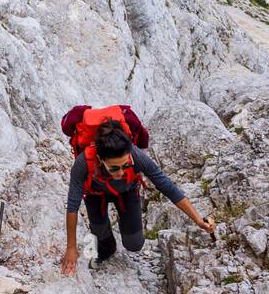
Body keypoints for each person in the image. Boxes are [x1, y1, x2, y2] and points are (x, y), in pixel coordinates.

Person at [61, 118, 215, 275]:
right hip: (96, 195)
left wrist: (198, 220)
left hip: (126, 192)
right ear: (100, 159)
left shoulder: (136, 156)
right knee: (101, 237)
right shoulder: (83, 163)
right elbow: (73, 205)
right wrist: (71, 248)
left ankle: (123, 222)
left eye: (125, 165)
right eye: (114, 168)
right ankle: (107, 243)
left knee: (134, 244)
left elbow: (168, 187)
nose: (121, 172)